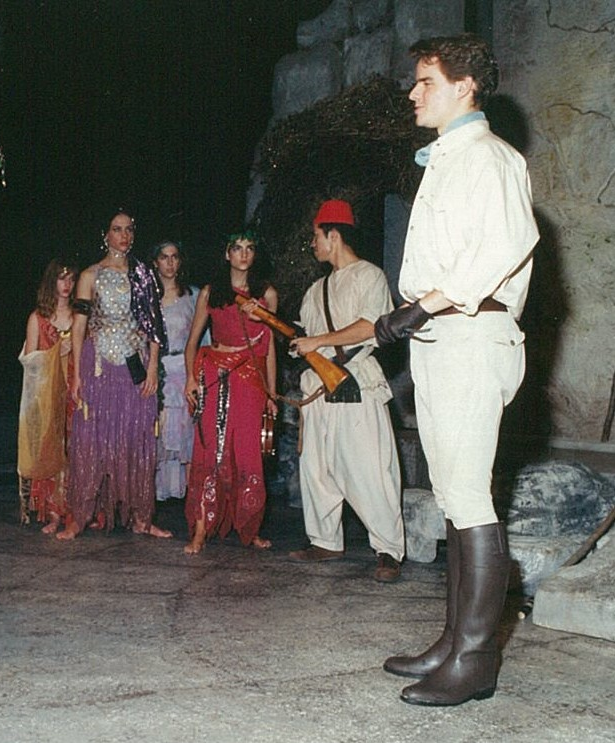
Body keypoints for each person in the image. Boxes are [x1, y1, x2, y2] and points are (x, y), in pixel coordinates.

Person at [375, 34, 538, 707]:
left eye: (426, 81)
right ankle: (451, 639)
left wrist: (422, 307)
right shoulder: (444, 161)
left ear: (466, 85)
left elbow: (500, 249)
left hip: (473, 334)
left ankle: (476, 658)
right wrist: (418, 315)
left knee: (470, 496)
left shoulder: (492, 160)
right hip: (439, 337)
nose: (414, 93)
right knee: (450, 494)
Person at [286, 200, 405, 582]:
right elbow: (306, 338)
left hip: (355, 380)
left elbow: (371, 327)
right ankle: (325, 540)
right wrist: (297, 342)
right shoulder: (315, 289)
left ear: (332, 235)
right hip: (319, 386)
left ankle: (388, 549)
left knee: (369, 468)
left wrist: (317, 340)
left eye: (315, 237)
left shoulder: (369, 276)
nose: (313, 245)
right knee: (317, 468)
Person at [56, 209, 172, 540]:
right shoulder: (91, 275)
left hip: (134, 364)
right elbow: (79, 325)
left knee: (136, 438)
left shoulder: (144, 275)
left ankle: (141, 517)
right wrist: (77, 373)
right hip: (98, 364)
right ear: (105, 234)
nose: (124, 235)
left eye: (129, 229)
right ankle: (79, 516)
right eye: (117, 229)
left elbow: (153, 326)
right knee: (91, 437)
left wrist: (152, 367)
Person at [182, 229, 277, 554]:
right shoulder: (211, 292)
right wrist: (190, 380)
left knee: (247, 453)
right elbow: (192, 343)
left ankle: (248, 529)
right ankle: (200, 529)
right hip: (214, 375)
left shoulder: (266, 295)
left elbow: (269, 350)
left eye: (250, 248)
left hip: (250, 379)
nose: (244, 254)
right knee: (210, 451)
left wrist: (271, 394)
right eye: (237, 248)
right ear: (227, 254)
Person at [18, 259, 76, 533]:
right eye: (61, 278)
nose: (67, 285)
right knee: (53, 451)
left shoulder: (79, 317)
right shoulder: (37, 318)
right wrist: (56, 353)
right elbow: (31, 361)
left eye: (71, 279)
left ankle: (76, 512)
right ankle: (54, 513)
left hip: (75, 391)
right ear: (51, 281)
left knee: (75, 450)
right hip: (48, 394)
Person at [151, 240, 201, 502]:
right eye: (164, 257)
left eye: (174, 257)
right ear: (155, 262)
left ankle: (192, 499)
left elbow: (202, 338)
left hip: (184, 368)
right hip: (157, 370)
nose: (170, 262)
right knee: (159, 431)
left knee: (186, 434)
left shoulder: (192, 296)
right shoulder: (148, 298)